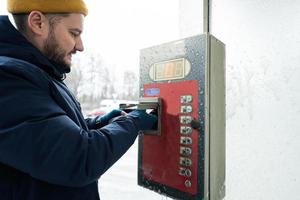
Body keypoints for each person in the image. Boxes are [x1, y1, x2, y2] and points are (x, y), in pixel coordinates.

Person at [0, 0, 157, 199]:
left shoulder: (36, 73)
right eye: (74, 33)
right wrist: (133, 121)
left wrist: (99, 124)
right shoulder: (7, 78)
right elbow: (78, 158)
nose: (80, 46)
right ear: (38, 22)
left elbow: (50, 134)